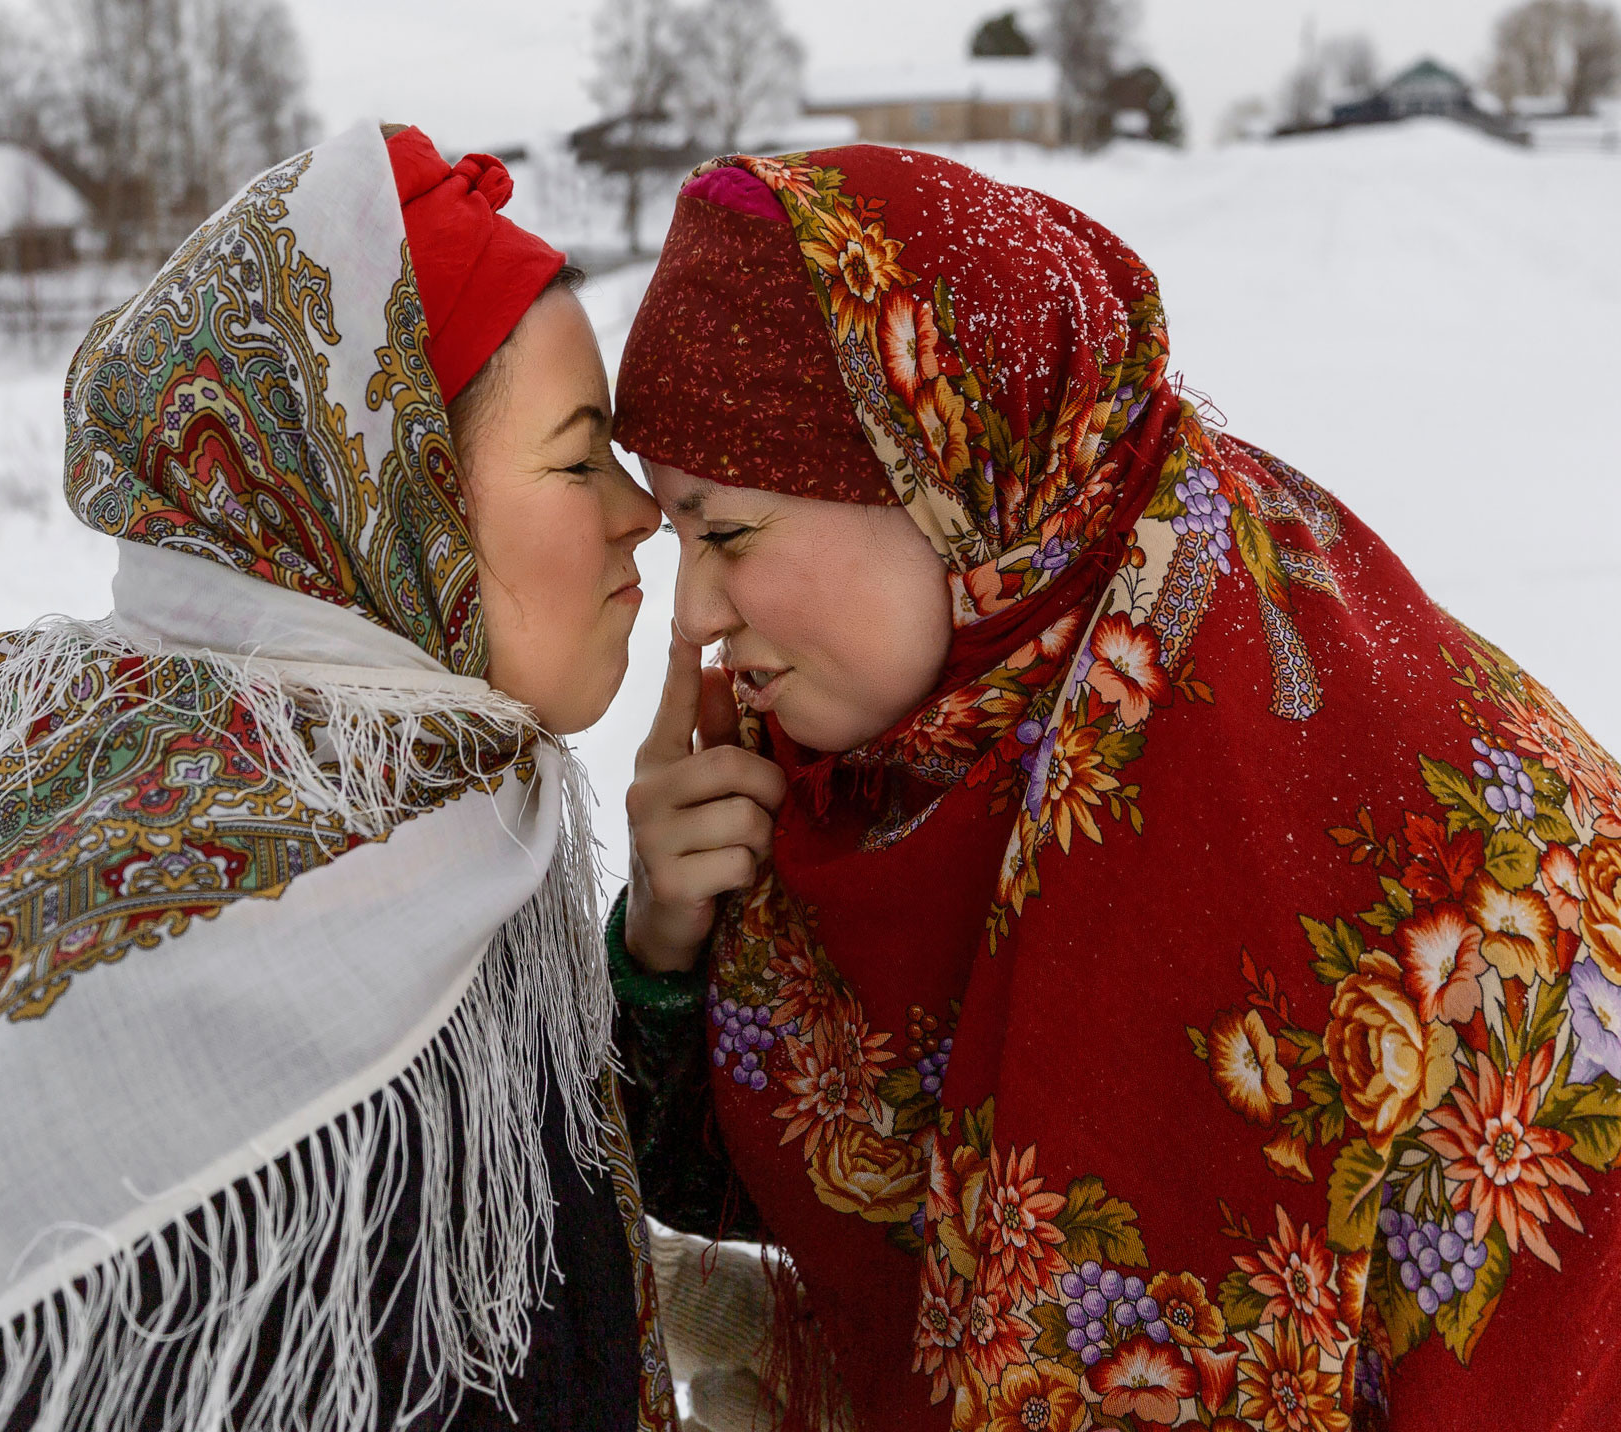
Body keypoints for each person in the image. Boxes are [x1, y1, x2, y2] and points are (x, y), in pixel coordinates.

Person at [609, 145, 1621, 1432]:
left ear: (949, 483)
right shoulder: (900, 744)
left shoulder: (1251, 771)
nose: (694, 615)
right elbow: (757, 1179)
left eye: (730, 533)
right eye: (675, 535)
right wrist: (662, 949)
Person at [0, 122, 676, 1432]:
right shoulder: (342, 939)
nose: (641, 509)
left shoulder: (412, 843)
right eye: (578, 455)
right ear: (392, 507)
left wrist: (664, 967)